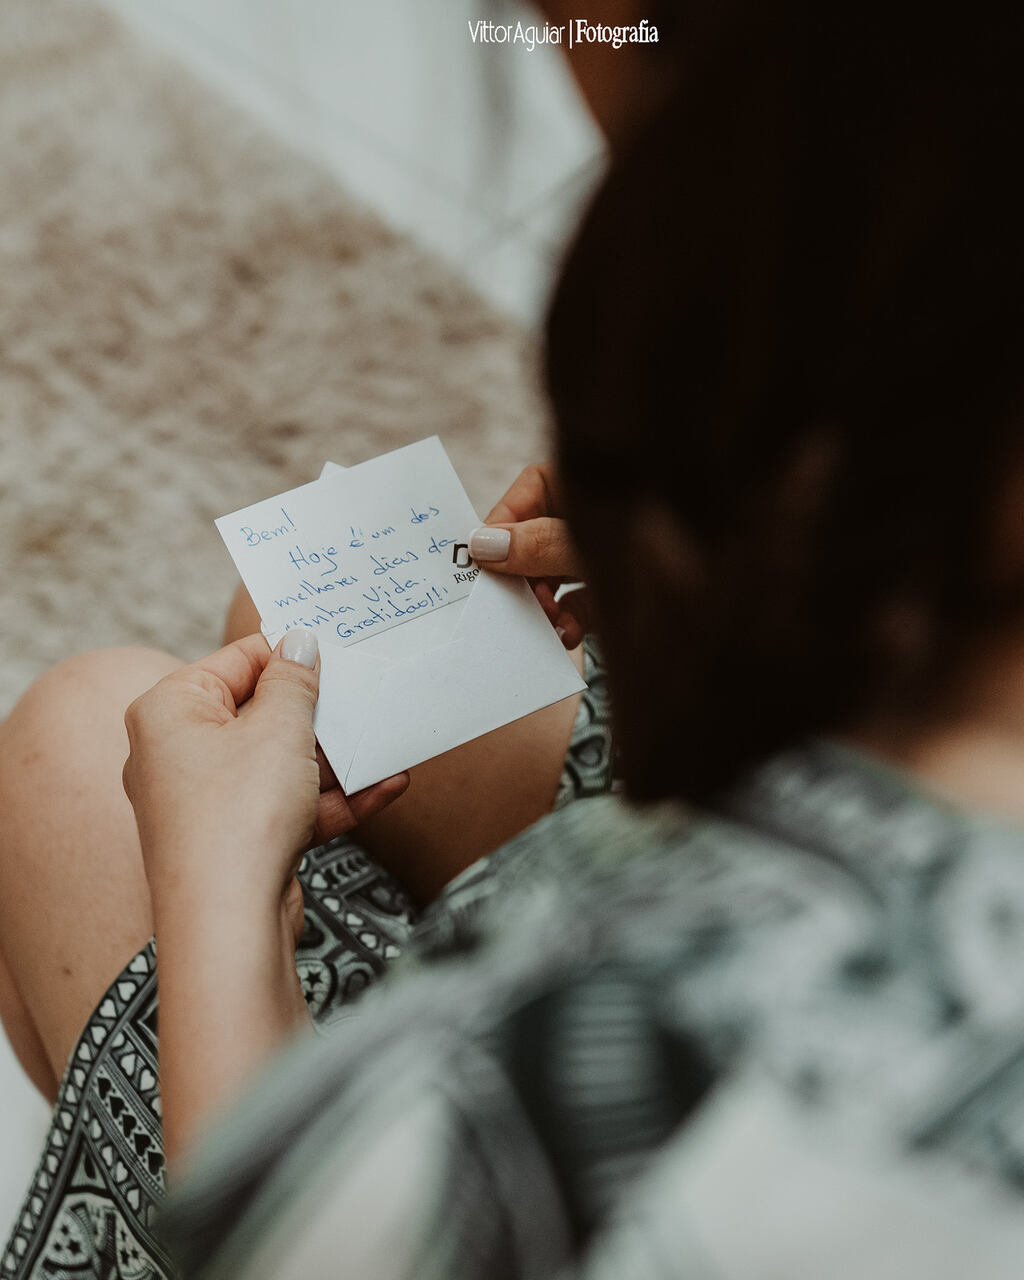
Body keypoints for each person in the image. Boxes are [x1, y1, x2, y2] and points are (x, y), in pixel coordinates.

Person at [6, 0, 1024, 1276]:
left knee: (81, 747)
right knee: (281, 642)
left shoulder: (569, 1101)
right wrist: (731, 612)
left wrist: (218, 890)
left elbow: (296, 1239)